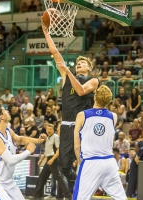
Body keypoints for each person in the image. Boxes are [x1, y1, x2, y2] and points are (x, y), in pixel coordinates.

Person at [42, 21, 99, 183]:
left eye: (83, 63)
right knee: (65, 167)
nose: (79, 64)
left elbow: (81, 90)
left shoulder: (93, 80)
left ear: (89, 68)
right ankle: (78, 188)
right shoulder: (67, 76)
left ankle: (88, 189)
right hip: (66, 126)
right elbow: (55, 52)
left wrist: (67, 71)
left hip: (82, 126)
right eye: (78, 63)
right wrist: (47, 33)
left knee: (84, 161)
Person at [0, 104, 46, 199]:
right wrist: (28, 151)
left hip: (7, 180)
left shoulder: (8, 131)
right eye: (5, 110)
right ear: (1, 116)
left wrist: (37, 141)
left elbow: (20, 139)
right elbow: (10, 160)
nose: (8, 111)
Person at [73, 85, 127, 200]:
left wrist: (79, 161)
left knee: (79, 198)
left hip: (91, 161)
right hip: (109, 162)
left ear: (94, 97)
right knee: (121, 197)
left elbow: (77, 146)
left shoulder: (82, 115)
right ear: (108, 101)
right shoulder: (114, 116)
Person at [34, 124, 72, 200]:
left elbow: (58, 151)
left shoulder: (56, 137)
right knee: (42, 177)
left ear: (53, 129)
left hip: (53, 160)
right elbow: (47, 151)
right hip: (48, 159)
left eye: (50, 129)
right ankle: (37, 196)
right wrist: (41, 159)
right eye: (47, 129)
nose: (49, 130)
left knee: (59, 178)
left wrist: (52, 159)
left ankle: (68, 196)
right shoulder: (48, 138)